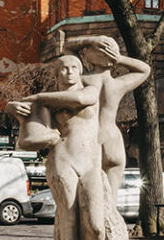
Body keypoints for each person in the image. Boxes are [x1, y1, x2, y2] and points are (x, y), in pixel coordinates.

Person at [8, 54, 110, 240]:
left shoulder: (90, 90)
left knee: (95, 223)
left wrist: (38, 97)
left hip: (90, 163)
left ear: (80, 70)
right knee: (69, 216)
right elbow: (28, 138)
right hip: (63, 159)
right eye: (63, 69)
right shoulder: (45, 105)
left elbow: (78, 99)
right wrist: (13, 108)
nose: (69, 72)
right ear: (57, 73)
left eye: (74, 67)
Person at [63, 35, 150, 198]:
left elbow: (66, 49)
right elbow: (145, 69)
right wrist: (119, 58)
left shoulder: (83, 81)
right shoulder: (118, 84)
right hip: (112, 139)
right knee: (110, 200)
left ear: (90, 55)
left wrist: (88, 40)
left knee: (86, 198)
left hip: (89, 140)